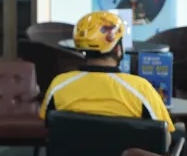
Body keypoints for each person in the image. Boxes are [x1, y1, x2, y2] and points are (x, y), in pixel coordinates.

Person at [39, 11, 174, 136]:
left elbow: (47, 125)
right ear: (118, 49)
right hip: (126, 155)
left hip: (70, 155)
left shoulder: (59, 85)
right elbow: (164, 135)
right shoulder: (140, 88)